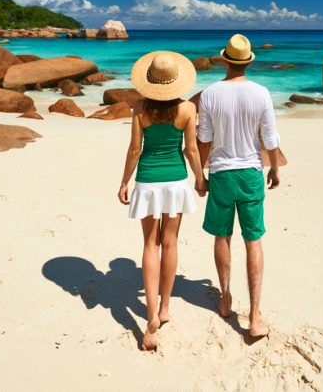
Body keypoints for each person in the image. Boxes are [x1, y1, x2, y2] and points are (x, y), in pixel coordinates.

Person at [118, 51, 207, 351]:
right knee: (169, 243)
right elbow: (192, 150)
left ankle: (151, 314)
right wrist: (199, 178)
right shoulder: (187, 110)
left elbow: (134, 149)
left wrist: (123, 182)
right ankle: (164, 308)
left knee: (149, 245)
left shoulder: (140, 107)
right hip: (175, 182)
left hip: (147, 180)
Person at [197, 33, 281, 338]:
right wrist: (274, 168)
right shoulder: (261, 93)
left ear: (225, 60)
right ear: (247, 62)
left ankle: (225, 297)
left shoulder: (209, 93)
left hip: (220, 173)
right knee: (253, 240)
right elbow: (270, 138)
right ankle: (255, 316)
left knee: (222, 237)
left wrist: (199, 175)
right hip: (249, 173)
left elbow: (203, 140)